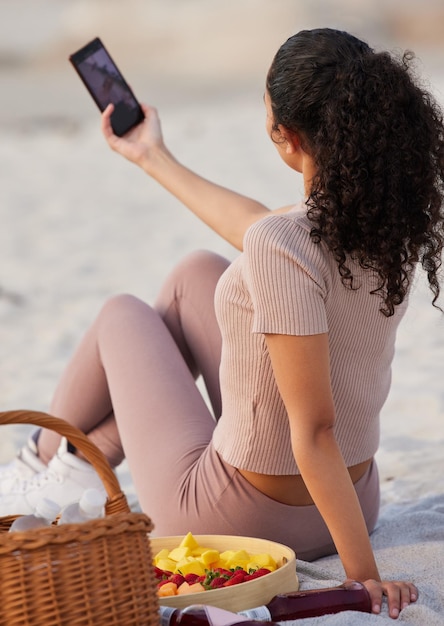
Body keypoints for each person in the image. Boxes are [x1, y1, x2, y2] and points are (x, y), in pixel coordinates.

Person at [1, 28, 443, 619]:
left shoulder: (282, 242)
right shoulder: (383, 223)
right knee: (196, 273)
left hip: (237, 515)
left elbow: (313, 430)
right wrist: (150, 153)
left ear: (284, 137)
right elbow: (260, 227)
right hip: (352, 501)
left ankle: (43, 458)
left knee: (122, 315)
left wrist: (364, 579)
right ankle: (77, 458)